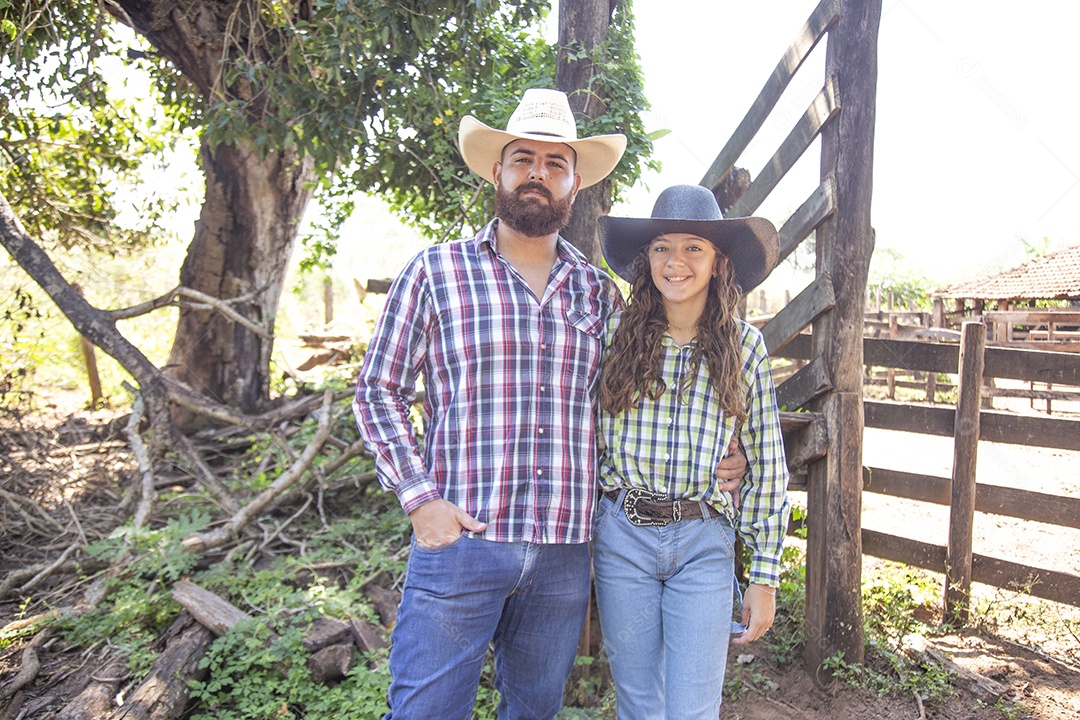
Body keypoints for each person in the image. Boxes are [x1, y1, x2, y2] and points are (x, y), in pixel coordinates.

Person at [353, 90, 746, 720]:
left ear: (575, 183)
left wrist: (732, 453)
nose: (538, 173)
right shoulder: (436, 272)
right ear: (497, 172)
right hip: (463, 540)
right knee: (424, 711)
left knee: (534, 713)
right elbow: (379, 390)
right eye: (523, 159)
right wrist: (419, 499)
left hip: (564, 552)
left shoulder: (597, 293)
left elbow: (653, 397)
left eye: (555, 163)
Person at [592, 184, 791, 719]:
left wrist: (765, 575)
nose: (675, 261)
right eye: (662, 247)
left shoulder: (744, 345)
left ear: (718, 262)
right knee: (637, 700)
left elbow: (767, 463)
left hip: (703, 540)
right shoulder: (613, 335)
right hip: (623, 536)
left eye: (693, 248)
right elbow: (580, 431)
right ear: (646, 258)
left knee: (693, 707)